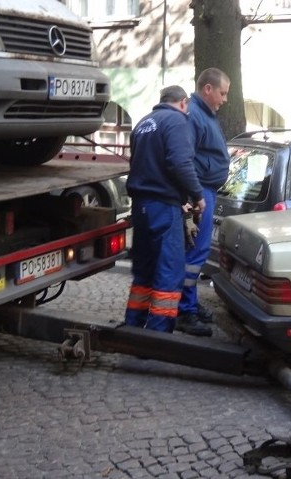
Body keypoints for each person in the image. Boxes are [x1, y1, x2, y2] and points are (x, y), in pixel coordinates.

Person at [123, 85, 206, 333]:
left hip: (141, 207)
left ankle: (133, 327)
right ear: (183, 103)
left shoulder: (143, 123)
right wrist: (197, 195)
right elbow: (180, 162)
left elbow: (146, 164)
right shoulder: (177, 121)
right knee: (169, 273)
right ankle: (159, 335)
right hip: (163, 208)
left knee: (144, 273)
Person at [175, 67, 232, 337]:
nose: (224, 99)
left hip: (204, 191)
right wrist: (195, 195)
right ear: (207, 89)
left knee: (196, 253)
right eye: (222, 93)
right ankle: (184, 310)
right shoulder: (195, 115)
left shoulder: (204, 113)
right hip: (200, 193)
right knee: (194, 254)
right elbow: (185, 159)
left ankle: (189, 304)